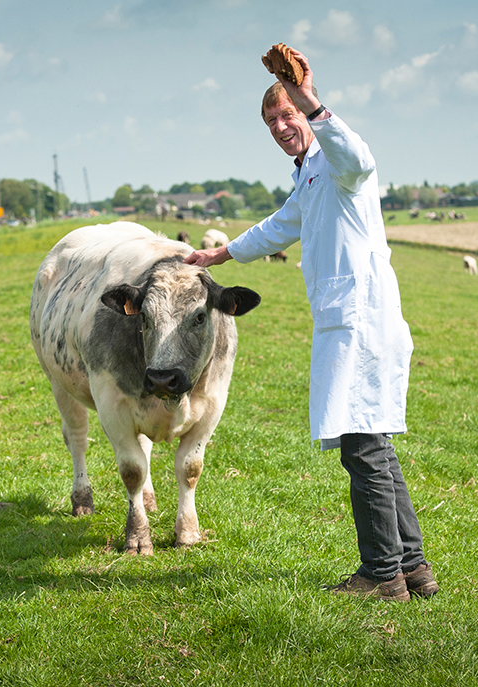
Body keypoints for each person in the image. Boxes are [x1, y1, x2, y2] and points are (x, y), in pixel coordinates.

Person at [185, 49, 437, 602]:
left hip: (361, 323)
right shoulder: (309, 176)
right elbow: (280, 225)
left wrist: (310, 98)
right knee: (372, 443)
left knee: (363, 445)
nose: (280, 127)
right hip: (348, 320)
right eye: (271, 121)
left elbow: (361, 156)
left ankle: (382, 573)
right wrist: (220, 256)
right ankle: (413, 568)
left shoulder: (340, 164)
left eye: (287, 115)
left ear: (304, 111)